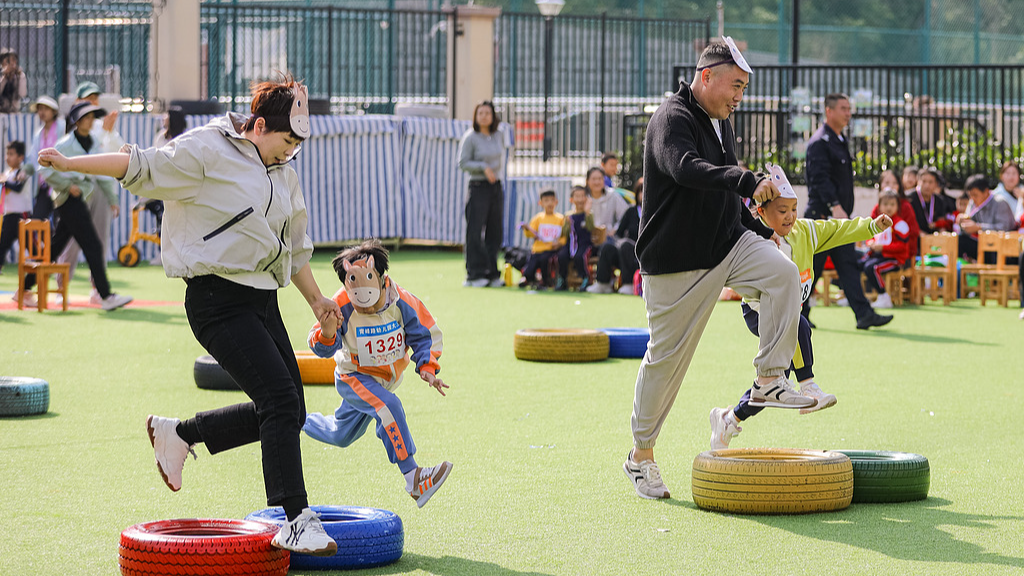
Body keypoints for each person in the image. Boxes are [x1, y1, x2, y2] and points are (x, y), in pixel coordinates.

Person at [37, 77, 340, 556]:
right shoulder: (207, 149)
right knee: (280, 398)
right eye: (284, 143)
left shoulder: (284, 169)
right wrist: (72, 163)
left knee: (290, 408)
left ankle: (179, 434)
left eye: (295, 148)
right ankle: (296, 517)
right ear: (259, 126)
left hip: (263, 298)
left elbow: (294, 249)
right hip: (216, 301)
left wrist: (319, 302)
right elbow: (138, 165)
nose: (288, 154)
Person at [624, 38, 814, 501]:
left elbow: (726, 191)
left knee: (783, 273)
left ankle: (769, 379)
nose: (739, 96)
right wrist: (748, 180)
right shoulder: (671, 118)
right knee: (666, 362)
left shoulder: (722, 121)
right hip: (676, 263)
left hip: (726, 246)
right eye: (735, 85)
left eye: (744, 88)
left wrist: (758, 228)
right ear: (706, 76)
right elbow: (686, 168)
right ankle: (640, 458)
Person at [709, 170, 893, 450]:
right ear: (760, 212)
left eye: (794, 209)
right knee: (800, 326)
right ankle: (809, 385)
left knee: (773, 386)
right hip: (758, 311)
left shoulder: (805, 231)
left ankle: (729, 418)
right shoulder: (753, 239)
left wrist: (872, 227)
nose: (790, 216)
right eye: (782, 210)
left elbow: (837, 229)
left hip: (789, 313)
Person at [302, 239, 452, 508]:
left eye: (371, 304)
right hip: (353, 377)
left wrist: (427, 367)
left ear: (383, 281)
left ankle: (294, 417)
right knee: (389, 406)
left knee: (340, 435)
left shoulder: (402, 302)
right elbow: (320, 345)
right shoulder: (340, 304)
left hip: (384, 379)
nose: (366, 309)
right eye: (360, 305)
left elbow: (424, 334)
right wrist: (327, 333)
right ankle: (414, 478)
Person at [28, 101, 133, 311]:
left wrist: (113, 200)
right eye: (86, 117)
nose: (90, 120)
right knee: (93, 245)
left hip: (78, 199)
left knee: (56, 247)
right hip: (69, 200)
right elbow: (44, 169)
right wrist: (68, 185)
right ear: (76, 121)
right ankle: (105, 295)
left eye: (92, 117)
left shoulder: (93, 142)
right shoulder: (65, 142)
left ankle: (23, 288)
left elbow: (100, 172)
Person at [803, 93, 893, 331]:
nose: (848, 113)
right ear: (828, 111)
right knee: (811, 268)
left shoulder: (838, 139)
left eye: (849, 108)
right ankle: (797, 313)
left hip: (837, 219)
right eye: (843, 108)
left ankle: (864, 314)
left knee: (847, 265)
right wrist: (835, 205)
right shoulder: (820, 142)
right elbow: (819, 179)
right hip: (823, 217)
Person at [60, 81, 126, 300]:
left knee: (100, 238)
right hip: (78, 189)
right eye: (88, 98)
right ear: (78, 101)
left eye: (95, 98)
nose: (93, 103)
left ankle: (97, 289)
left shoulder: (103, 126)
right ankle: (62, 287)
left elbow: (116, 155)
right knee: (72, 239)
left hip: (100, 185)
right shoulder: (73, 126)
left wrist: (107, 133)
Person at [458, 100, 506, 288]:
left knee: (495, 231)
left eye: (488, 113)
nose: (484, 116)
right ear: (476, 116)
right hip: (478, 187)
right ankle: (474, 273)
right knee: (475, 231)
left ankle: (492, 273)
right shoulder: (471, 137)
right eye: (481, 113)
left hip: (496, 187)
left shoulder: (499, 135)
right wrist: (483, 167)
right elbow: (462, 163)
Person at [862, 189, 912, 309]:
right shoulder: (877, 223)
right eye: (885, 204)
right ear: (879, 206)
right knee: (859, 263)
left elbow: (902, 246)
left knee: (873, 268)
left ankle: (883, 296)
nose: (888, 207)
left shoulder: (900, 224)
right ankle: (856, 297)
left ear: (897, 206)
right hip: (879, 255)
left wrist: (883, 248)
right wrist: (871, 243)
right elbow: (870, 237)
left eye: (892, 204)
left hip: (894, 259)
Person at [584, 166, 630, 294]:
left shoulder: (613, 196)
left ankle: (604, 282)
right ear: (588, 181)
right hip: (587, 238)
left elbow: (625, 215)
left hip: (609, 237)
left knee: (607, 247)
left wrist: (615, 229)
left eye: (600, 178)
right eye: (594, 179)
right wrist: (586, 212)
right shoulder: (583, 198)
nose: (597, 182)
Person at [956, 174, 1017, 261]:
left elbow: (1004, 228)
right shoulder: (972, 202)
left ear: (986, 192)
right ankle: (960, 270)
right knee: (960, 240)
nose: (972, 198)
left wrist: (979, 227)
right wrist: (963, 222)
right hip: (983, 245)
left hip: (1001, 248)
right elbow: (969, 222)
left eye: (975, 195)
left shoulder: (999, 203)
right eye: (970, 195)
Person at [27, 96, 65, 221]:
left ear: (54, 111)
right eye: (40, 109)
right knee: (36, 220)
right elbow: (32, 157)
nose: (42, 112)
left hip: (61, 183)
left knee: (61, 221)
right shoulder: (39, 133)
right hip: (45, 183)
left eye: (46, 109)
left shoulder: (62, 127)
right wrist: (24, 171)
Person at [518, 189, 565, 289]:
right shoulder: (538, 218)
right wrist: (527, 229)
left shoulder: (560, 219)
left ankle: (545, 281)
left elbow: (564, 236)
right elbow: (530, 234)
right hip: (537, 250)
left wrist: (559, 243)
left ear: (556, 202)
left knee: (545, 261)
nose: (549, 203)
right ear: (540, 203)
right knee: (531, 265)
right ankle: (529, 279)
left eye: (552, 200)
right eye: (546, 200)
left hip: (551, 250)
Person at [0, 141, 34, 273]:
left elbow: (18, 188)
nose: (7, 157)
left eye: (11, 154)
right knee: (2, 246)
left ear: (21, 157)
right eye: (7, 154)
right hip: (9, 215)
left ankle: (43, 266)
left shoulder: (23, 172)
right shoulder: (7, 173)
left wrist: (4, 183)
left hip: (22, 216)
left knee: (31, 247)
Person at [556, 185, 596, 290]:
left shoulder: (588, 214)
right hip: (570, 244)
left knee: (580, 256)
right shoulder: (568, 215)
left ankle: (585, 279)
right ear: (571, 199)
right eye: (577, 196)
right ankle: (562, 279)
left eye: (582, 196)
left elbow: (590, 227)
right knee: (561, 256)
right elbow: (564, 233)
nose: (580, 199)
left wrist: (587, 212)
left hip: (584, 244)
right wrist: (567, 225)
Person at [870, 170, 919, 258]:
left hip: (899, 255)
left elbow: (913, 233)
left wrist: (889, 247)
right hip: (879, 251)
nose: (890, 186)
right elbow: (870, 230)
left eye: (894, 183)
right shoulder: (877, 208)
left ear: (899, 186)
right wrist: (871, 242)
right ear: (881, 185)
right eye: (887, 182)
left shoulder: (905, 206)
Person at [614, 178, 644, 295]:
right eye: (641, 191)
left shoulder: (656, 211)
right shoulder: (630, 212)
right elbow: (619, 234)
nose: (643, 194)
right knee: (623, 245)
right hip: (631, 249)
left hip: (649, 250)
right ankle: (626, 284)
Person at [909, 167, 956, 234]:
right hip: (915, 236)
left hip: (933, 237)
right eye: (924, 181)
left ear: (936, 184)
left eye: (930, 182)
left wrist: (943, 233)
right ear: (918, 182)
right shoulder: (910, 198)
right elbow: (908, 223)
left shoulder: (940, 201)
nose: (927, 185)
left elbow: (941, 223)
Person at [0, 48, 27, 113]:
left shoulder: (19, 75)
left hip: (14, 112)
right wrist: (5, 77)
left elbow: (22, 94)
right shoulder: (1, 75)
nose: (11, 63)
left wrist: (19, 77)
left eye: (13, 59)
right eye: (8, 60)